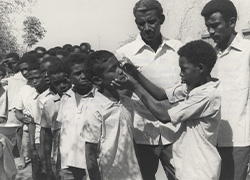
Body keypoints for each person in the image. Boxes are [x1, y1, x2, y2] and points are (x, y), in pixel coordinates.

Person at [114, 40, 222, 179]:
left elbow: (164, 115)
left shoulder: (207, 95)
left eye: (184, 69)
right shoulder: (192, 87)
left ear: (200, 68)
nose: (180, 74)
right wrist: (136, 74)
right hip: (189, 165)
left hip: (200, 168)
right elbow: (160, 94)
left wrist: (135, 87)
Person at [115, 0, 182, 179]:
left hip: (175, 132)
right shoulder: (123, 54)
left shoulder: (178, 50)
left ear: (162, 19)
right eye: (140, 23)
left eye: (151, 22)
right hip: (140, 133)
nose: (146, 27)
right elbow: (121, 95)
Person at [201, 1, 250, 179]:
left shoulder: (247, 52)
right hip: (209, 141)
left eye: (215, 25)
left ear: (232, 22)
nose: (211, 32)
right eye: (208, 27)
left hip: (239, 141)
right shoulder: (208, 58)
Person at [82, 50, 142, 180]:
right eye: (113, 69)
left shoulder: (127, 103)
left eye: (119, 65)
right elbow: (90, 157)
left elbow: (130, 140)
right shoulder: (94, 109)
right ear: (97, 80)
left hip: (131, 174)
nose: (120, 71)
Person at [58, 53, 93, 180]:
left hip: (91, 163)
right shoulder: (66, 97)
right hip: (67, 162)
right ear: (68, 77)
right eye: (78, 74)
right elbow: (62, 132)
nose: (83, 76)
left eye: (86, 72)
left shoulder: (99, 97)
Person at [15, 61, 47, 180]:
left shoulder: (48, 95)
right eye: (31, 79)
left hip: (48, 136)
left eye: (37, 78)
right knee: (37, 168)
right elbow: (20, 113)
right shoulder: (29, 93)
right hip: (34, 133)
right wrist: (33, 147)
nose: (34, 81)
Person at [40, 61, 71, 180]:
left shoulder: (81, 100)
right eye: (57, 83)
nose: (62, 86)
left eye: (65, 81)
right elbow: (46, 135)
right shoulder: (50, 104)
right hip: (61, 160)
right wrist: (47, 165)